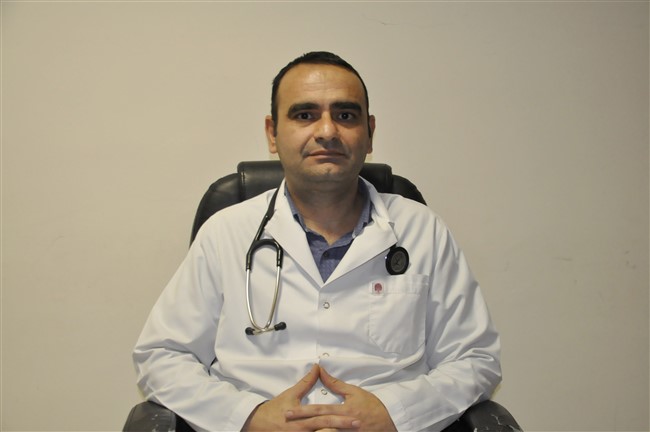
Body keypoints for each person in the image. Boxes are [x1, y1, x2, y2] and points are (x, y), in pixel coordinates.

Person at [133, 51, 501, 432]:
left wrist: (396, 413)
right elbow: (162, 356)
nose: (327, 131)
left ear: (370, 133)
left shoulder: (423, 231)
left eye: (346, 115)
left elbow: (475, 358)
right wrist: (247, 416)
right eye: (305, 115)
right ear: (272, 133)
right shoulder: (225, 233)